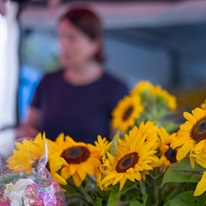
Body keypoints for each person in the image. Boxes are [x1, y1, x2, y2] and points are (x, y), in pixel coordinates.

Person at [19, 7, 129, 143]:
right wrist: (25, 136)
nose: (62, 44)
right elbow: (29, 127)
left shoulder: (115, 89)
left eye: (72, 37)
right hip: (48, 164)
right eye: (61, 36)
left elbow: (118, 146)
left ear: (94, 44)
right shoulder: (48, 81)